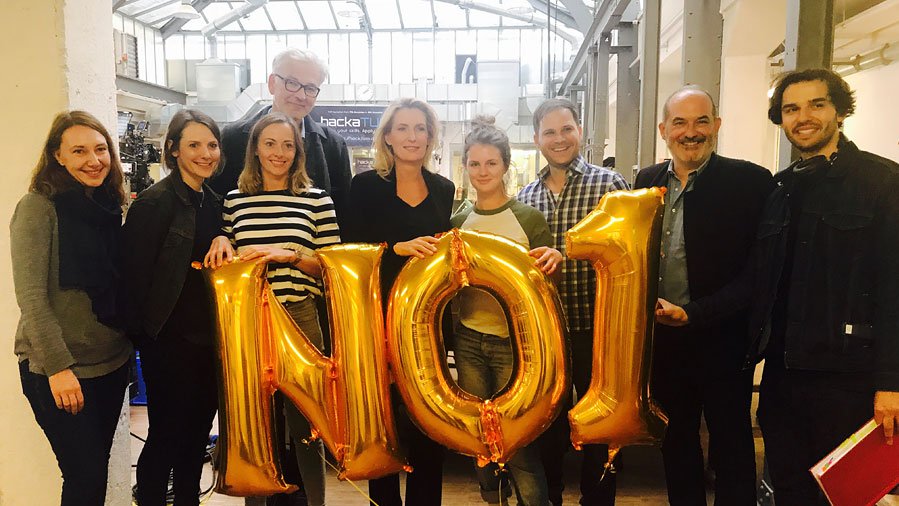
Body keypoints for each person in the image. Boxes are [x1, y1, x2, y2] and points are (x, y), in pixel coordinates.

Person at [752, 68, 899, 505]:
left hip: (849, 379)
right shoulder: (781, 188)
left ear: (839, 109)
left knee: (848, 496)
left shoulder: (882, 183)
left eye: (816, 104)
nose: (804, 117)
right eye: (791, 109)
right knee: (791, 491)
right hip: (783, 377)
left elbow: (894, 287)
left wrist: (891, 383)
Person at [633, 86, 773, 506]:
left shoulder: (750, 182)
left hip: (724, 340)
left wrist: (695, 314)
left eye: (700, 121)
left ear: (716, 125)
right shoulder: (647, 182)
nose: (690, 132)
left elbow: (757, 274)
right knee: (676, 442)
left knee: (730, 443)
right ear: (663, 130)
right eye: (680, 122)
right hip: (665, 342)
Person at [205, 112, 339, 506]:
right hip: (248, 319)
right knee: (254, 424)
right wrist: (219, 239)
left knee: (306, 423)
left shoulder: (316, 200)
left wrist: (292, 255)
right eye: (270, 144)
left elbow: (331, 269)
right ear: (255, 149)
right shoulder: (234, 199)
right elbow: (227, 249)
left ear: (298, 152)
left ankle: (316, 502)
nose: (278, 153)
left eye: (288, 145)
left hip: (299, 316)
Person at [12, 111, 132, 506]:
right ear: (57, 156)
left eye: (101, 150)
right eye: (79, 151)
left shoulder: (108, 206)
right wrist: (59, 368)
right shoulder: (38, 207)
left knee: (94, 474)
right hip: (61, 369)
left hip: (110, 362)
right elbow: (31, 297)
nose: (93, 160)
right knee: (84, 477)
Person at [517, 97, 629, 506]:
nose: (559, 139)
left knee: (600, 428)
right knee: (546, 428)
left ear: (580, 131)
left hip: (598, 331)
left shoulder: (610, 185)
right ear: (536, 140)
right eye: (549, 132)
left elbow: (626, 255)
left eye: (566, 129)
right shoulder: (525, 196)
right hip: (546, 336)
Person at [344, 97, 454, 506]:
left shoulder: (444, 189)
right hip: (379, 319)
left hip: (428, 323)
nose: (412, 137)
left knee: (430, 423)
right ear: (387, 137)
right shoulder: (366, 186)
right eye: (403, 128)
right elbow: (352, 252)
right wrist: (397, 248)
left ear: (430, 136)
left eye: (420, 129)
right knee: (384, 425)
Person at [121, 109, 231, 506]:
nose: (206, 153)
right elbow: (134, 278)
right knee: (166, 437)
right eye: (194, 145)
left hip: (209, 341)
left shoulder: (217, 204)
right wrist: (145, 342)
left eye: (212, 145)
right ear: (173, 150)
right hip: (168, 342)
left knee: (197, 437)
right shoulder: (154, 204)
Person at [451, 115, 562, 505]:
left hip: (516, 347)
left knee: (518, 441)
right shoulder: (458, 221)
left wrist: (556, 259)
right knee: (479, 439)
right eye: (475, 164)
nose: (483, 172)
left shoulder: (528, 219)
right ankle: (492, 500)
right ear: (465, 167)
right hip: (468, 341)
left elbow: (547, 288)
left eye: (491, 163)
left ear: (505, 166)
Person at [210, 48, 352, 227]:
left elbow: (344, 213)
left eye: (310, 88)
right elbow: (214, 203)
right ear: (272, 83)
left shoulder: (333, 145)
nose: (301, 95)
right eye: (292, 83)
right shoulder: (232, 139)